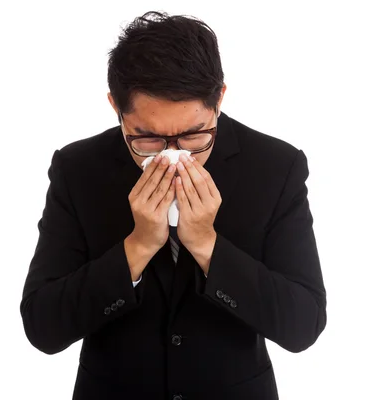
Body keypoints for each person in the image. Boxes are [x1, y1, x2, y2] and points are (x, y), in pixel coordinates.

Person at [20, 11, 327, 400]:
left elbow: (303, 325)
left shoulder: (275, 167)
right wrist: (138, 247)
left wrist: (206, 245)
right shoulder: (78, 168)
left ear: (219, 100)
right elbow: (42, 326)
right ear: (116, 107)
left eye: (193, 135)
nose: (171, 157)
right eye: (146, 138)